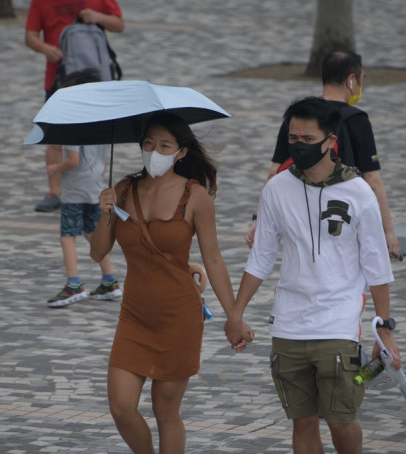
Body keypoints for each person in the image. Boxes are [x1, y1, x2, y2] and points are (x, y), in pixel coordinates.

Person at [226, 97, 401, 454]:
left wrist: (384, 328)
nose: (298, 146)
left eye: (307, 140)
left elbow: (376, 264)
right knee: (302, 422)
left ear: (330, 141)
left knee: (341, 418)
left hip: (338, 322)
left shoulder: (358, 192)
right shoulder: (276, 189)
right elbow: (260, 257)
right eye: (293, 139)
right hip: (288, 324)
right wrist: (236, 314)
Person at [90, 113, 252, 453]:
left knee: (166, 411)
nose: (154, 151)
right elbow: (97, 251)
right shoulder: (122, 189)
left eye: (164, 145)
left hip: (179, 318)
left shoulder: (195, 197)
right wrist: (104, 211)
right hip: (134, 317)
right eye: (148, 143)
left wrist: (234, 315)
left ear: (180, 153)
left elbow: (214, 260)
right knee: (121, 407)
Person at [246, 50, 401, 260]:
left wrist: (259, 220)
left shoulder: (300, 116)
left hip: (301, 212)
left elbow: (275, 171)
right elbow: (372, 180)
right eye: (362, 79)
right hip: (341, 215)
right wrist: (388, 232)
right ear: (351, 80)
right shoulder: (357, 120)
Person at [25, 0, 125, 212]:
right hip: (59, 78)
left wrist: (97, 18)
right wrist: (46, 49)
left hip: (96, 78)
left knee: (99, 136)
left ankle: (95, 188)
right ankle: (55, 192)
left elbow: (119, 24)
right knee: (54, 135)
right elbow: (30, 36)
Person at [46, 68, 122, 308]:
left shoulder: (72, 124)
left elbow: (73, 160)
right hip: (94, 186)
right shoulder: (98, 122)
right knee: (91, 232)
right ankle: (109, 281)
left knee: (67, 235)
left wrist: (55, 168)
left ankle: (73, 284)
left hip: (76, 189)